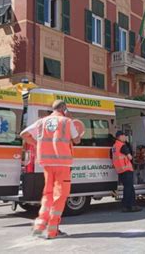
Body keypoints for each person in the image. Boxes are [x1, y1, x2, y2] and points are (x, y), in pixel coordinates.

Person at [20, 100, 83, 239]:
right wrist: (78, 134)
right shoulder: (66, 121)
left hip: (47, 163)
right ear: (64, 109)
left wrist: (37, 144)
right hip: (62, 163)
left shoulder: (42, 122)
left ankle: (40, 225)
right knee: (60, 196)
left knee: (48, 194)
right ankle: (53, 230)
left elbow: (24, 134)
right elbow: (77, 140)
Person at [111, 131, 142, 212]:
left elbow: (112, 157)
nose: (125, 137)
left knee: (128, 188)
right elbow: (130, 157)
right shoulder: (122, 146)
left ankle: (131, 205)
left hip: (120, 170)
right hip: (126, 169)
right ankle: (129, 206)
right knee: (129, 189)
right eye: (124, 136)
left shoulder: (114, 147)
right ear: (120, 137)